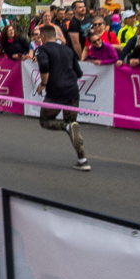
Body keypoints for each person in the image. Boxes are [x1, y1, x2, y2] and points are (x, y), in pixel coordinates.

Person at [34, 27, 90, 171]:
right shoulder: (68, 50)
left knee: (45, 121)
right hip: (72, 92)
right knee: (73, 126)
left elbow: (44, 66)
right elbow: (78, 73)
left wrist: (43, 84)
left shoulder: (42, 50)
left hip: (55, 93)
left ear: (43, 37)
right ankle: (82, 159)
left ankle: (65, 127)